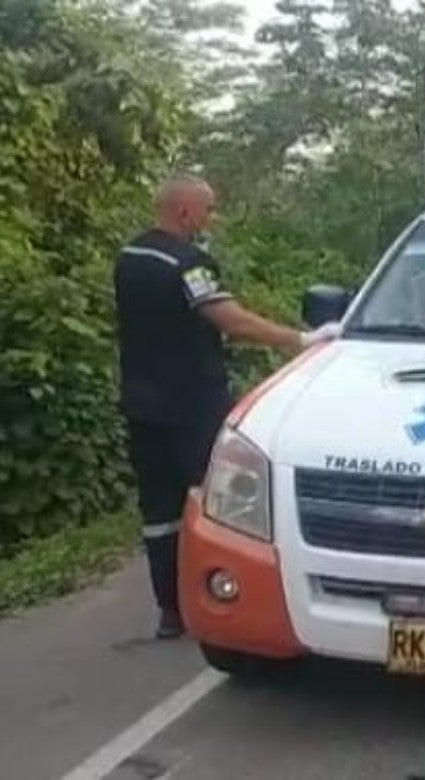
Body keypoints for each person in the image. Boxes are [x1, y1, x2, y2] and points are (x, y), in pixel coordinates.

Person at [113, 174, 342, 639]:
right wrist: (300, 340)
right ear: (185, 212)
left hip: (141, 401)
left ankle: (169, 610)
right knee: (216, 499)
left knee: (159, 508)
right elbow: (229, 319)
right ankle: (220, 600)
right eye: (208, 209)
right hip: (192, 401)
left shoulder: (129, 256)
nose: (211, 218)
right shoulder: (188, 262)